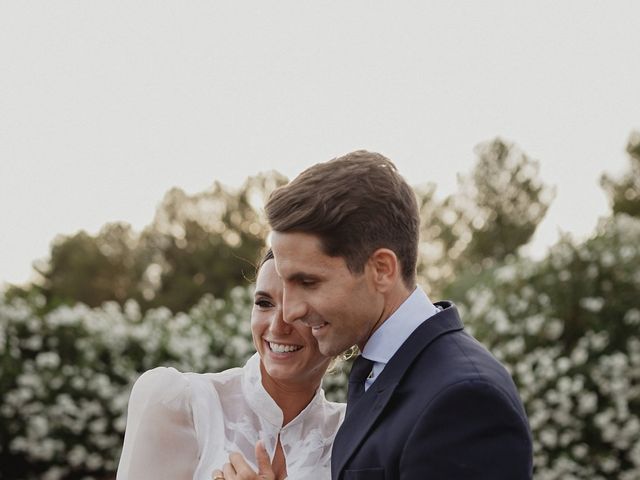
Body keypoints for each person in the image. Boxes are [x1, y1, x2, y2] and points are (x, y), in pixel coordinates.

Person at [263, 150, 533, 479]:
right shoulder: (383, 367)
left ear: (381, 270)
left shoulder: (464, 400)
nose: (290, 311)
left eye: (308, 282)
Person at [116, 250, 345, 480]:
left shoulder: (354, 431)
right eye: (264, 303)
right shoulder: (180, 403)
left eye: (299, 306)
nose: (277, 326)